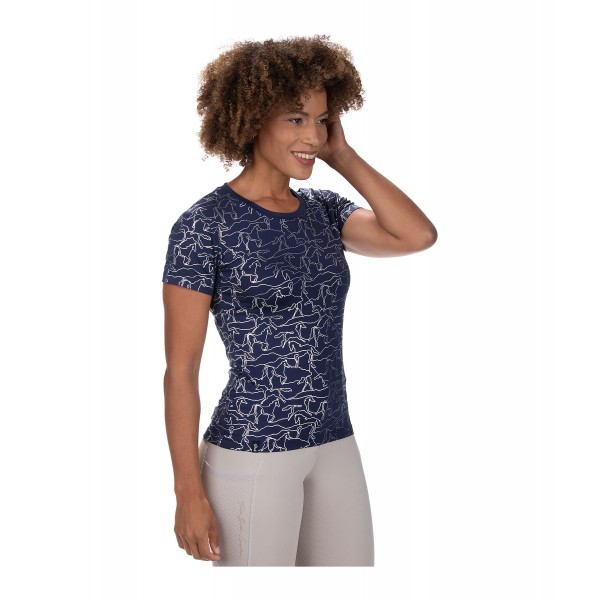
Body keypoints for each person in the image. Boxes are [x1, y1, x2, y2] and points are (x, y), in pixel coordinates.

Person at [162, 34, 437, 567]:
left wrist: (342, 155)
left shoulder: (323, 212)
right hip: (252, 449)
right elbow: (181, 370)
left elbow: (416, 235)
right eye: (296, 119)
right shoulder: (204, 226)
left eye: (322, 120)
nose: (312, 135)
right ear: (250, 120)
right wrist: (187, 493)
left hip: (335, 440)